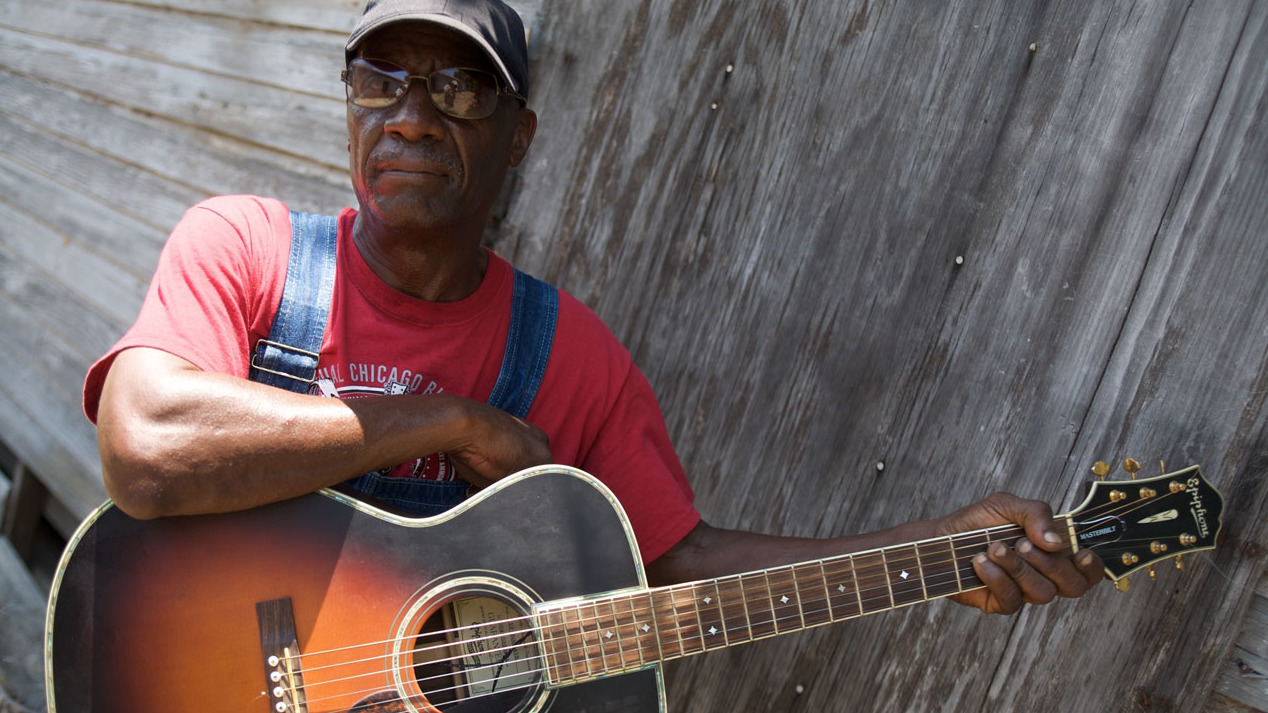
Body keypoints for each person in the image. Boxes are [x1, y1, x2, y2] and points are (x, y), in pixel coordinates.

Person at [83, 0, 1101, 618]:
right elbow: (146, 447)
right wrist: (454, 419)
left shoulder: (568, 353)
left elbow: (673, 564)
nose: (409, 117)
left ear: (518, 135)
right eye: (378, 80)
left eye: (456, 90)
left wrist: (925, 551)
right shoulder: (248, 248)